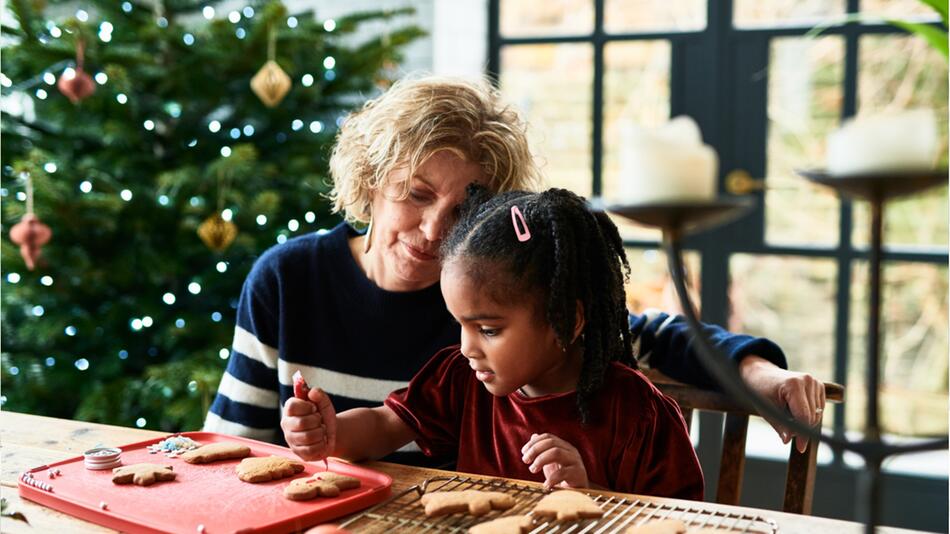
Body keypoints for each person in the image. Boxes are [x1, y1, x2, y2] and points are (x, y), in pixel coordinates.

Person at [203, 75, 826, 460]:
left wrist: (759, 372)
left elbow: (651, 332)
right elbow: (235, 447)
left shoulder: (493, 294)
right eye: (416, 194)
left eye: (465, 207)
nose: (434, 231)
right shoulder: (287, 280)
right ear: (369, 182)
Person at [282, 187, 705, 497]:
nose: (466, 348)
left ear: (566, 320)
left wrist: (589, 492)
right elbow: (383, 426)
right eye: (459, 325)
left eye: (488, 330)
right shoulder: (460, 380)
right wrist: (330, 433)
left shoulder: (640, 416)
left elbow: (678, 521)